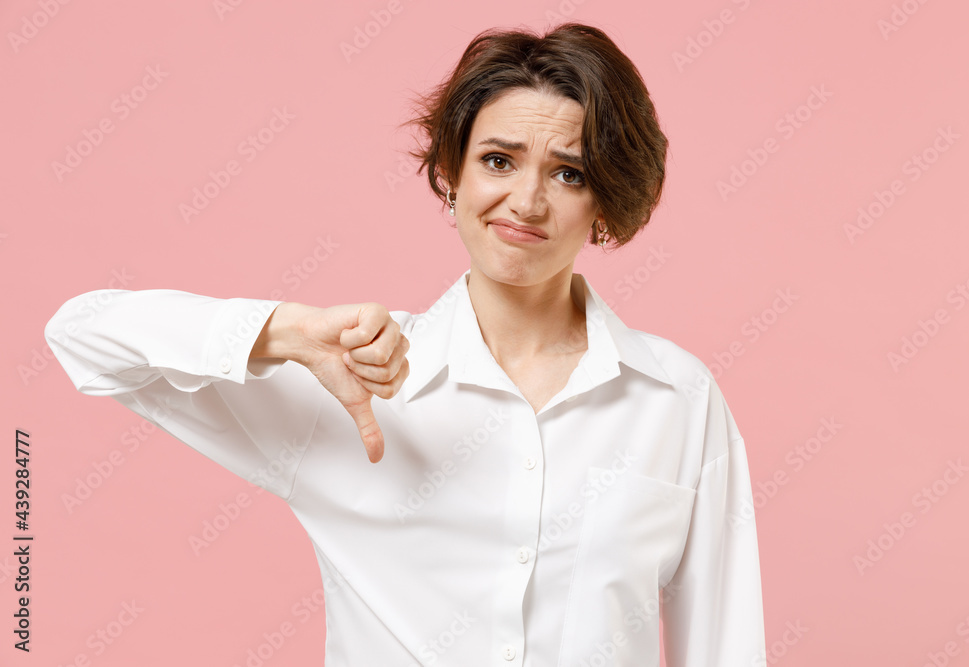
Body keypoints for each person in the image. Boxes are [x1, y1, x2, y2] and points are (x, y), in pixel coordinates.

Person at [46, 22, 765, 667]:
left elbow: (725, 645)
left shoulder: (679, 400)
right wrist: (285, 332)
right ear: (450, 176)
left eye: (568, 172)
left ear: (605, 201)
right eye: (498, 160)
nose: (527, 200)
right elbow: (83, 333)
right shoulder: (347, 377)